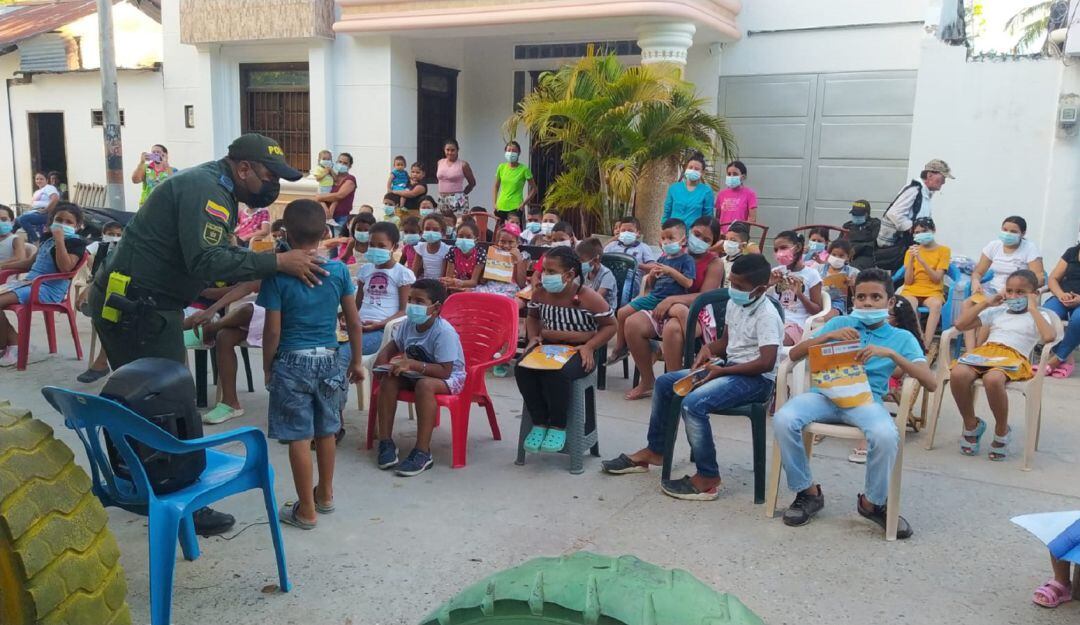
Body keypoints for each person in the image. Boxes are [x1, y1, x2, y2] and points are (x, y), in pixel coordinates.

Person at [89, 133, 324, 536]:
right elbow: (208, 257)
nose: (273, 186)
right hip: (140, 308)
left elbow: (202, 262)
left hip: (140, 300)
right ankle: (182, 502)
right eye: (269, 176)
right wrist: (276, 261)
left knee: (137, 401)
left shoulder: (217, 188)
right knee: (166, 404)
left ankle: (136, 482)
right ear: (243, 168)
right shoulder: (208, 191)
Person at [602, 254, 782, 500]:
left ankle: (708, 476)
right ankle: (656, 450)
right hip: (729, 367)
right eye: (732, 284)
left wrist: (723, 371)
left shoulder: (767, 315)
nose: (734, 290)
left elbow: (766, 362)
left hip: (756, 380)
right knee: (667, 383)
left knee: (694, 404)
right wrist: (709, 350)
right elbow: (727, 343)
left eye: (740, 287)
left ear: (760, 289)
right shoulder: (735, 303)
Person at [773, 269, 935, 539]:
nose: (868, 303)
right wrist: (824, 338)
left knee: (885, 435)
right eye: (861, 297)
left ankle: (873, 502)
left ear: (890, 302)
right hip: (825, 396)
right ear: (853, 300)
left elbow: (930, 382)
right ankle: (807, 492)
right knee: (784, 419)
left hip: (866, 401)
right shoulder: (840, 324)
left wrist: (892, 354)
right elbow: (796, 355)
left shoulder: (901, 338)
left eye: (875, 297)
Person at [258, 199, 363, 529]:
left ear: (285, 232)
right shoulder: (339, 271)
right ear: (325, 233)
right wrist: (357, 361)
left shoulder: (278, 275)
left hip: (292, 361)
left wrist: (267, 366)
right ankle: (325, 495)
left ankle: (305, 510)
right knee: (327, 430)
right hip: (331, 358)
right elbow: (353, 321)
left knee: (299, 437)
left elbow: (272, 329)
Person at [949, 269, 1055, 461]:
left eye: (1021, 292)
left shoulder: (1039, 315)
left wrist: (1033, 308)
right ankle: (971, 424)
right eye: (1010, 291)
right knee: (957, 374)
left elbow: (1049, 337)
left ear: (1034, 294)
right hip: (986, 352)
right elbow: (960, 324)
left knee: (993, 379)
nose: (1014, 296)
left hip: (1014, 356)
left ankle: (1001, 429)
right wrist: (986, 302)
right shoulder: (997, 311)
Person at [518, 246, 616, 453]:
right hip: (547, 349)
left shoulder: (589, 297)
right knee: (522, 368)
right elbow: (533, 317)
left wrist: (590, 345)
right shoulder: (540, 294)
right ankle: (539, 422)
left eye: (551, 272)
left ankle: (558, 425)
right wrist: (534, 336)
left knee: (557, 374)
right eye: (544, 270)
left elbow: (611, 326)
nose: (545, 276)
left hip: (579, 352)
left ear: (570, 275)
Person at [619, 217, 723, 400]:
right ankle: (647, 381)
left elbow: (704, 296)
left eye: (706, 240)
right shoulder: (672, 254)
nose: (699, 240)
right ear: (687, 233)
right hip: (662, 304)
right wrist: (652, 278)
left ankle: (676, 384)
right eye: (697, 234)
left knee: (672, 329)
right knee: (632, 323)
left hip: (694, 309)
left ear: (713, 243)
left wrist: (673, 300)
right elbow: (656, 284)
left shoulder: (714, 263)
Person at [372, 279, 466, 476]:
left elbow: (445, 371)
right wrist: (382, 363)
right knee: (389, 379)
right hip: (417, 373)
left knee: (424, 386)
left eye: (419, 302)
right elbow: (393, 347)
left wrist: (413, 365)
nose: (412, 306)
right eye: (410, 300)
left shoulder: (443, 332)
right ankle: (386, 442)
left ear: (436, 307)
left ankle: (423, 452)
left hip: (450, 378)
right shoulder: (408, 324)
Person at [0, 202, 87, 367]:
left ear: (77, 226)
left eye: (69, 222)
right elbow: (30, 264)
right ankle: (13, 342)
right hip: (29, 283)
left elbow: (66, 267)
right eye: (59, 220)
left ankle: (11, 346)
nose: (62, 225)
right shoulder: (47, 238)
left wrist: (60, 241)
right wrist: (3, 266)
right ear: (51, 222)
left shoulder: (76, 243)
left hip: (48, 289)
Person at [609, 219, 696, 364]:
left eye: (671, 238)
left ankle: (689, 350)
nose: (666, 242)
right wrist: (652, 277)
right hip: (654, 297)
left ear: (683, 240)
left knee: (681, 313)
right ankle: (620, 348)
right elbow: (652, 285)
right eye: (663, 238)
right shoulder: (662, 257)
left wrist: (670, 271)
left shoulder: (687, 260)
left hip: (673, 300)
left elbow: (688, 283)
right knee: (622, 312)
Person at [965, 216, 1045, 349]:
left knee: (991, 310)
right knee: (967, 304)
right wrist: (975, 281)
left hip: (1016, 293)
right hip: (993, 289)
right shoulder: (994, 246)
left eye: (1013, 232)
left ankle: (980, 348)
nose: (1008, 234)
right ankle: (970, 350)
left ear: (1023, 234)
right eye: (1005, 229)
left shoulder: (1029, 248)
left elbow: (1040, 277)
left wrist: (1012, 289)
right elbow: (978, 272)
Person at [875, 159, 953, 271]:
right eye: (943, 178)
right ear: (930, 175)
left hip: (912, 244)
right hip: (902, 245)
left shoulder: (925, 193)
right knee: (902, 276)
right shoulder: (914, 190)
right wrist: (913, 229)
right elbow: (894, 213)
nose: (944, 182)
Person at [74, 220, 125, 382]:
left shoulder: (129, 251)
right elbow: (97, 272)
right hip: (108, 290)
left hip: (131, 298)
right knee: (106, 315)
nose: (114, 238)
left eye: (118, 235)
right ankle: (105, 362)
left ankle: (104, 363)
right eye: (111, 234)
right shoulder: (102, 248)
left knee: (111, 316)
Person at [356, 221, 414, 355]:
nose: (376, 249)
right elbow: (357, 305)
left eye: (382, 246)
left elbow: (403, 311)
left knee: (345, 353)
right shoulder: (365, 270)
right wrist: (348, 319)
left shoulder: (401, 273)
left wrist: (380, 324)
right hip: (358, 327)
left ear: (394, 247)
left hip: (383, 331)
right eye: (371, 245)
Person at [900, 217, 950, 345]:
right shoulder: (910, 251)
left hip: (933, 291)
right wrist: (911, 259)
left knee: (936, 305)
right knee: (908, 304)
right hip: (912, 290)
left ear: (933, 230)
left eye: (924, 231)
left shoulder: (943, 251)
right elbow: (908, 281)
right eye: (916, 232)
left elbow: (936, 279)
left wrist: (922, 261)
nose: (920, 235)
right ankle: (918, 338)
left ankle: (927, 343)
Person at [769, 230, 824, 345]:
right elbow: (758, 299)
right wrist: (768, 284)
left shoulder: (812, 275)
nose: (779, 253)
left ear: (798, 247)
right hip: (772, 320)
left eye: (783, 248)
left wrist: (799, 294)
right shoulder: (775, 272)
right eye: (776, 250)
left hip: (796, 324)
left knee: (772, 341)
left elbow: (817, 310)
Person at [1042, 241, 1080, 378]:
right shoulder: (1072, 252)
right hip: (1063, 296)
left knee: (1078, 320)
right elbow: (1053, 278)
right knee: (1044, 315)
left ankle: (1055, 360)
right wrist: (1060, 295)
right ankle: (1067, 358)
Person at [602, 216, 658, 306]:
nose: (626, 233)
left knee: (624, 289)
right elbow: (600, 257)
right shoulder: (612, 246)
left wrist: (636, 265)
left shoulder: (643, 248)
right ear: (619, 232)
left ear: (638, 233)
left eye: (630, 231)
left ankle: (620, 310)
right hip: (610, 276)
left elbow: (653, 266)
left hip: (631, 279)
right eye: (623, 230)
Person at [661, 153, 715, 230]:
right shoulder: (674, 188)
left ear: (702, 172)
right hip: (673, 233)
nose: (693, 170)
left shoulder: (706, 191)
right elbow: (667, 212)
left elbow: (708, 217)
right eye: (690, 167)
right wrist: (664, 229)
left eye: (696, 169)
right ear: (686, 168)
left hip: (694, 235)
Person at [474, 223, 526, 299]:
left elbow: (521, 284)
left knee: (499, 298)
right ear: (497, 242)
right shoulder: (494, 253)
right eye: (502, 241)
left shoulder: (522, 256)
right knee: (473, 293)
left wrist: (519, 260)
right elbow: (482, 280)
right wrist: (489, 261)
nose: (506, 245)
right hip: (490, 286)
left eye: (511, 242)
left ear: (517, 243)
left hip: (509, 289)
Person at [492, 141, 536, 223]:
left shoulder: (524, 169)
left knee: (514, 231)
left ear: (519, 153)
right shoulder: (501, 167)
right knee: (500, 231)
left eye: (514, 151)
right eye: (509, 150)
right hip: (501, 206)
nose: (511, 153)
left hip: (516, 207)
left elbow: (534, 189)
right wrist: (494, 203)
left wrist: (524, 203)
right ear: (505, 152)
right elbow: (496, 186)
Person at [14, 172, 61, 242]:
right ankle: (7, 239)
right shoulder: (37, 192)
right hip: (35, 212)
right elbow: (32, 204)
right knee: (16, 221)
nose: (39, 181)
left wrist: (46, 210)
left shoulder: (49, 187)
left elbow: (55, 199)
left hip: (46, 214)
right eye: (37, 179)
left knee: (23, 219)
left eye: (41, 179)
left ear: (47, 180)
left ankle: (35, 240)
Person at [819, 238, 859, 317]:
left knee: (831, 315)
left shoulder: (853, 272)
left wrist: (853, 284)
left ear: (848, 257)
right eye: (834, 255)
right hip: (819, 300)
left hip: (837, 303)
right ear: (829, 254)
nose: (837, 258)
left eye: (841, 256)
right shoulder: (819, 268)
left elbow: (860, 292)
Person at [442, 221, 486, 292]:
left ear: (476, 240)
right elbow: (448, 277)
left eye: (468, 237)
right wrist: (449, 282)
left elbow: (473, 282)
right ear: (456, 237)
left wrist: (457, 283)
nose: (464, 239)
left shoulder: (480, 253)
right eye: (461, 236)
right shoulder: (453, 251)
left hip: (472, 288)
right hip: (454, 287)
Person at [315, 152, 357, 226]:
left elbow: (339, 195)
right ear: (336, 162)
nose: (341, 164)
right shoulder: (331, 177)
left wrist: (319, 197)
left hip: (341, 218)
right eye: (340, 162)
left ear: (350, 166)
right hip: (324, 217)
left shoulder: (350, 179)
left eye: (345, 163)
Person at [436, 139, 476, 215]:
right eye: (447, 150)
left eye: (453, 150)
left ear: (457, 150)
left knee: (458, 223)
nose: (450, 153)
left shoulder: (463, 165)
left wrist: (462, 195)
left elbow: (472, 183)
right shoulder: (440, 162)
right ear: (444, 150)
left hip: (457, 198)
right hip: (442, 198)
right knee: (442, 223)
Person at [576, 237, 616, 311]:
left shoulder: (607, 275)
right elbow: (573, 289)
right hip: (585, 307)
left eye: (582, 260)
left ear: (595, 260)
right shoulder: (583, 272)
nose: (579, 263)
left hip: (603, 312)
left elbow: (597, 298)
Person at [714, 160, 757, 228]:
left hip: (739, 235)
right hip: (722, 235)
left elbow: (752, 219)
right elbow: (717, 217)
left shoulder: (749, 194)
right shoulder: (721, 194)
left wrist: (741, 232)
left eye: (735, 174)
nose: (731, 176)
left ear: (743, 177)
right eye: (729, 174)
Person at [843, 199, 881, 271]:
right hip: (846, 255)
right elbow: (840, 242)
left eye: (859, 215)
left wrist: (858, 248)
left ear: (867, 214)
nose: (856, 216)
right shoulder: (847, 225)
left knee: (853, 269)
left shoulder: (875, 224)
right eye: (854, 214)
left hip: (866, 256)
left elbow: (877, 243)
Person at [412, 214, 450, 280]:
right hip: (424, 282)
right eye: (427, 229)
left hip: (439, 284)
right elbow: (414, 272)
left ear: (442, 232)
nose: (431, 232)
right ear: (422, 231)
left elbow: (443, 275)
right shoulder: (420, 247)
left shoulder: (446, 250)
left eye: (435, 230)